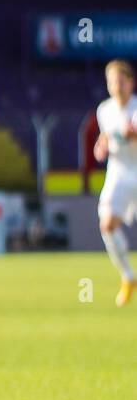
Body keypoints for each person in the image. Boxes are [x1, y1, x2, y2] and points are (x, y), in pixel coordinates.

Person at [92, 59, 137, 306]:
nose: (116, 86)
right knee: (107, 224)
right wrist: (102, 147)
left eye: (121, 81)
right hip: (119, 172)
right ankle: (128, 277)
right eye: (112, 82)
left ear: (131, 83)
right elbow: (105, 139)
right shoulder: (104, 110)